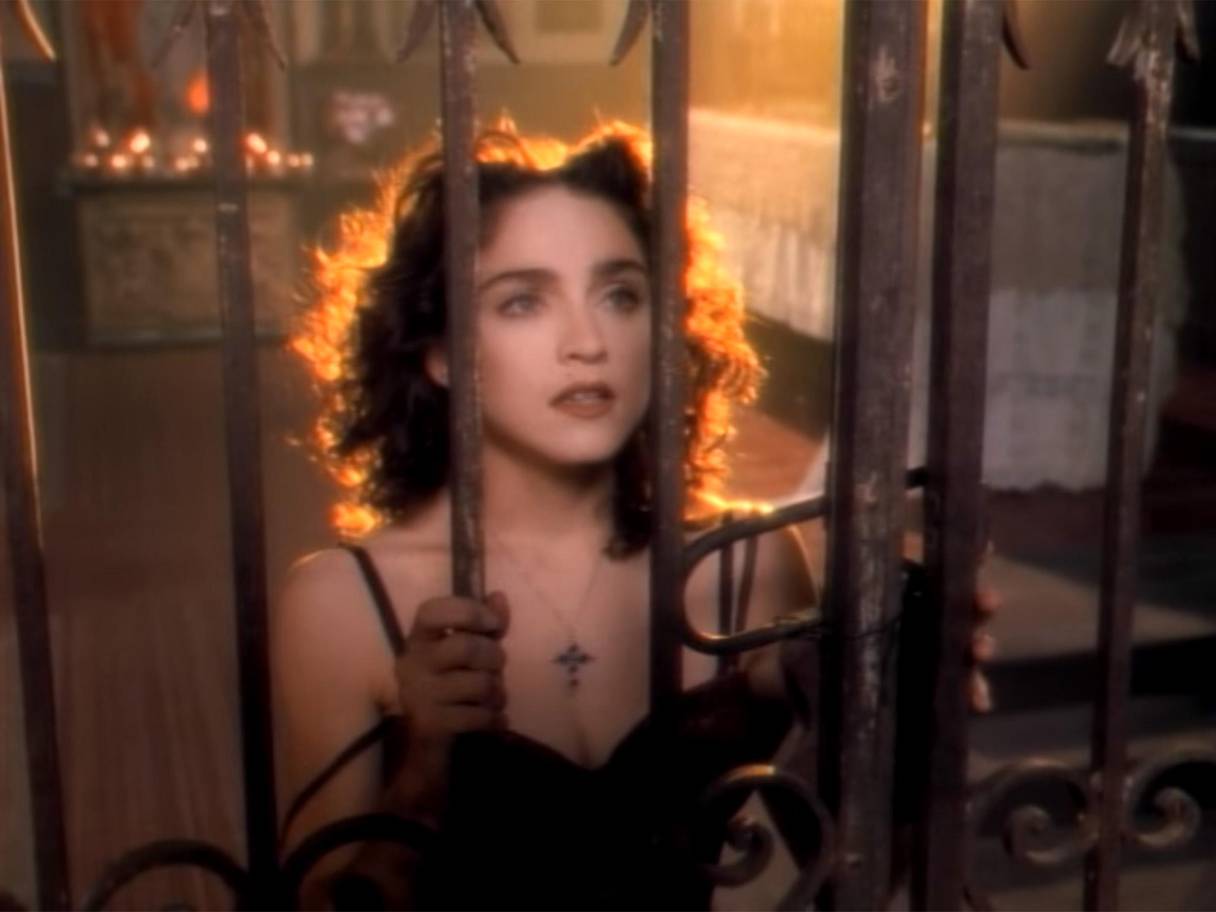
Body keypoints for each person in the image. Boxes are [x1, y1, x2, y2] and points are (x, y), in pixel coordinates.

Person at [274, 121, 995, 910]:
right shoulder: (343, 604)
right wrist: (421, 775)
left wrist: (905, 714)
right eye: (523, 302)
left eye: (620, 295)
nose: (588, 342)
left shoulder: (746, 566)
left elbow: (850, 882)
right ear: (439, 352)